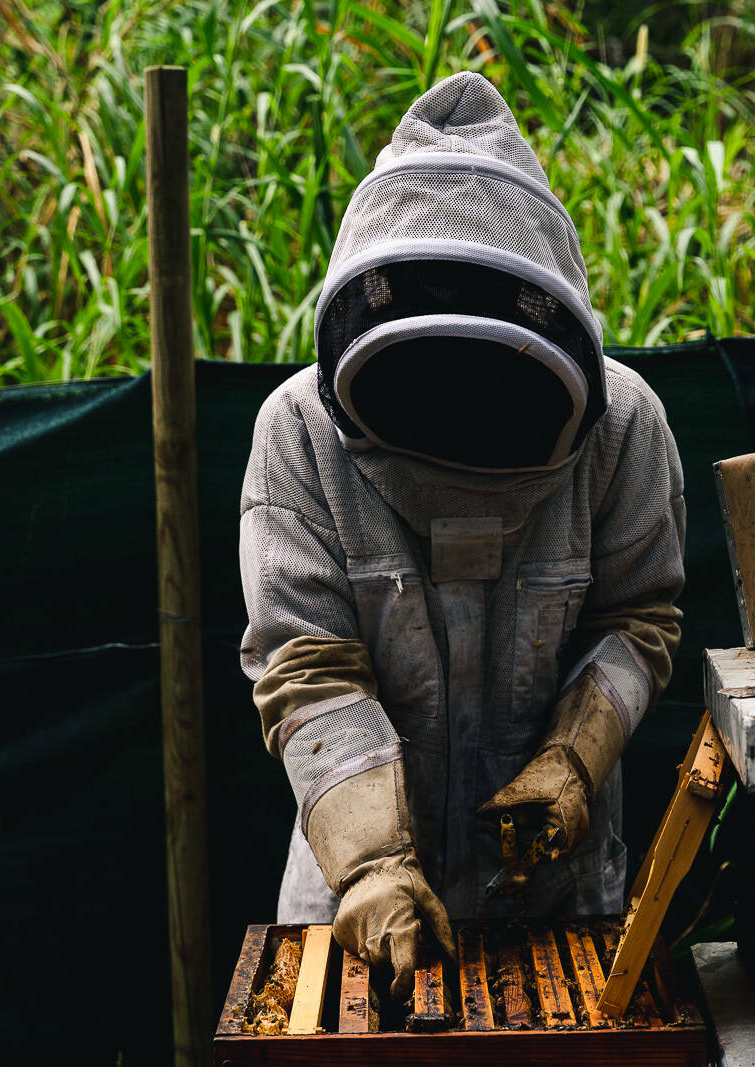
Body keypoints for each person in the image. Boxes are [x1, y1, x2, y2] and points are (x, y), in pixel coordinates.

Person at [239, 71, 685, 998]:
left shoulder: (625, 426)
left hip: (561, 905)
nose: (461, 413)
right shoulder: (298, 433)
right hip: (354, 916)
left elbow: (638, 620)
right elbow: (308, 662)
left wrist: (573, 760)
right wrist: (368, 863)